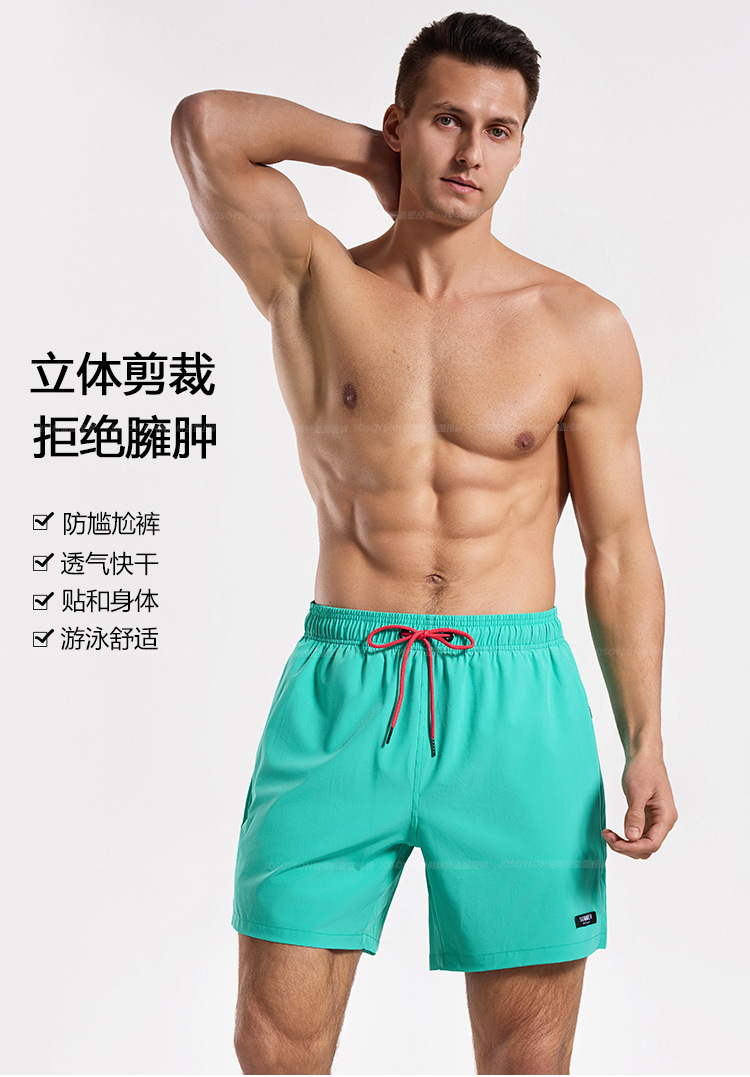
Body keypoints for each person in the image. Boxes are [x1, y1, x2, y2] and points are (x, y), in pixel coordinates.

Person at [171, 11, 678, 1074]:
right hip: (343, 684)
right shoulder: (315, 282)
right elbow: (208, 125)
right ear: (403, 123)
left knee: (528, 1056)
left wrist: (644, 736)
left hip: (517, 701)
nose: (471, 153)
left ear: (522, 145)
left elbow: (620, 546)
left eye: (500, 130)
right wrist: (372, 157)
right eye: (447, 121)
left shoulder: (579, 325)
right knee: (273, 1045)